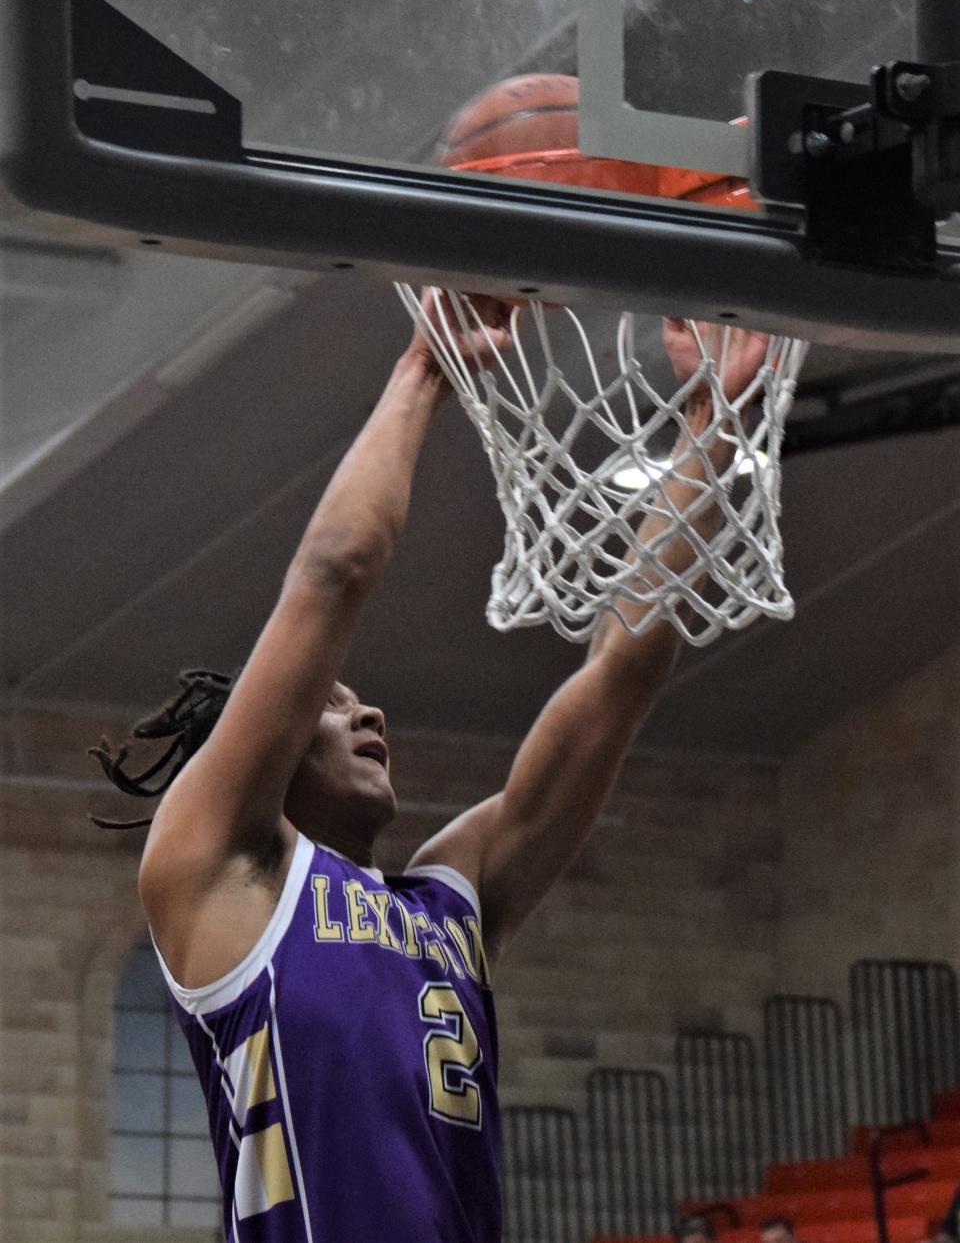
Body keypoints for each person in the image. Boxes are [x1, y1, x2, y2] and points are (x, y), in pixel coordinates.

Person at [92, 294, 769, 1242]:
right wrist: (426, 371)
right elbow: (335, 570)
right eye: (327, 706)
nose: (366, 711)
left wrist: (710, 428)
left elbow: (619, 677)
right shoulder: (217, 876)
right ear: (268, 749)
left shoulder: (450, 903)